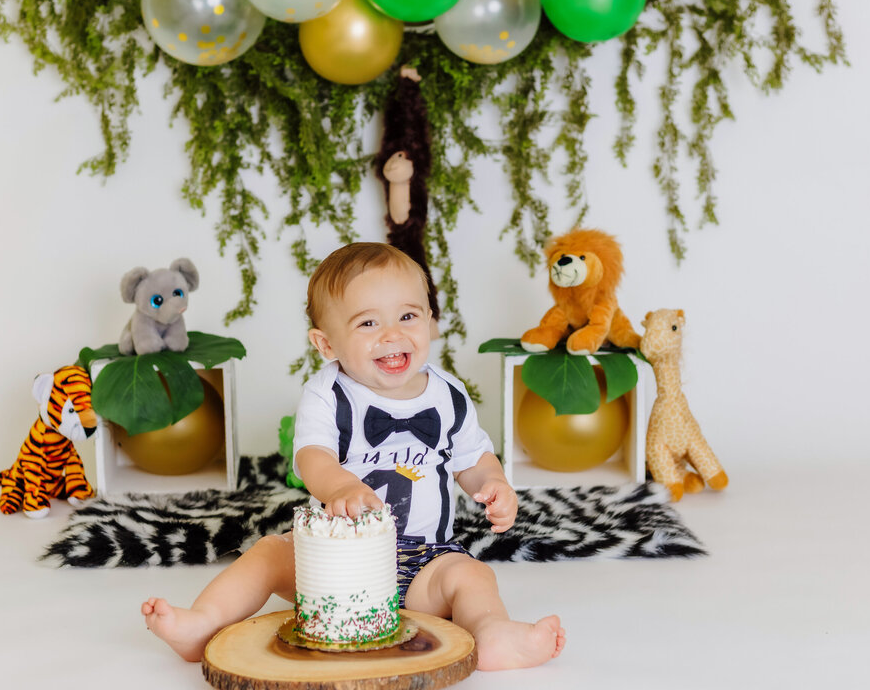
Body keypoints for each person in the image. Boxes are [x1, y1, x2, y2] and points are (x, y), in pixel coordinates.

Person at [142, 242, 566, 670]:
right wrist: (341, 486)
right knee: (269, 553)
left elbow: (472, 457)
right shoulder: (327, 394)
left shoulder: (449, 394)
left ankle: (492, 634)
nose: (392, 334)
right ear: (326, 344)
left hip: (424, 562)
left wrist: (492, 484)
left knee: (471, 575)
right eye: (367, 322)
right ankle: (201, 624)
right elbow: (312, 458)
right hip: (334, 565)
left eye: (408, 316)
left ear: (430, 321)